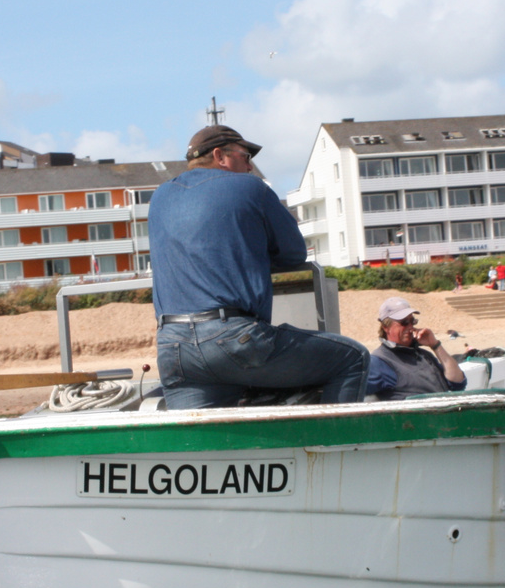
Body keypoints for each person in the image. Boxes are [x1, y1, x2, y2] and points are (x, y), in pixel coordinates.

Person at [148, 124, 369, 408]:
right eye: (246, 157)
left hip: (173, 347)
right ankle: (334, 448)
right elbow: (292, 254)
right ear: (220, 156)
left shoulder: (160, 197)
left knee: (205, 445)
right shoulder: (251, 188)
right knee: (353, 358)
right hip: (232, 339)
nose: (251, 167)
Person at [367, 297, 467, 400]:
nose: (410, 327)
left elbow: (458, 383)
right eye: (404, 322)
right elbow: (356, 391)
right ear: (386, 327)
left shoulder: (424, 355)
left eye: (412, 321)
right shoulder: (379, 362)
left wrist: (435, 345)